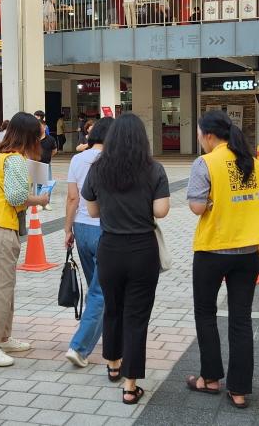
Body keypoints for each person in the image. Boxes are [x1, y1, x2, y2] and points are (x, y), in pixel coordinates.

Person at [185, 110, 259, 409]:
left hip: (213, 249)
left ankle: (209, 379)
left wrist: (212, 201)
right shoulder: (254, 163)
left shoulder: (205, 163)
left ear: (209, 135)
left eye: (198, 133)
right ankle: (239, 390)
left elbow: (197, 207)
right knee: (240, 319)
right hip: (248, 252)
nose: (199, 139)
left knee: (206, 313)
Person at [82, 113, 170, 405]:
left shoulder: (98, 169)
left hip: (110, 248)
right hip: (143, 250)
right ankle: (130, 386)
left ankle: (113, 364)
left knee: (113, 308)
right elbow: (161, 211)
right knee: (136, 316)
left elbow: (93, 212)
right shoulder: (154, 169)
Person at [0, 112, 50, 367]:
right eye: (39, 134)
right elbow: (17, 197)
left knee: (0, 285)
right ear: (28, 135)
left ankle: (2, 337)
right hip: (0, 226)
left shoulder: (2, 156)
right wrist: (40, 199)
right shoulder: (16, 160)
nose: (41, 138)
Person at [64, 117, 114, 367]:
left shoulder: (77, 160)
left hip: (82, 228)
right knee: (100, 291)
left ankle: (106, 333)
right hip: (104, 228)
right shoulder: (112, 161)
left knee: (98, 286)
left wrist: (67, 229)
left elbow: (72, 198)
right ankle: (79, 347)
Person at [39, 119, 58, 211]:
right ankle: (38, 202)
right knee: (38, 184)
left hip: (47, 164)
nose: (40, 128)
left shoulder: (51, 139)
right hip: (36, 164)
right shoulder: (33, 138)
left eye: (42, 126)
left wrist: (48, 157)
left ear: (45, 127)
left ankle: (46, 203)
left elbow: (54, 151)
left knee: (47, 184)